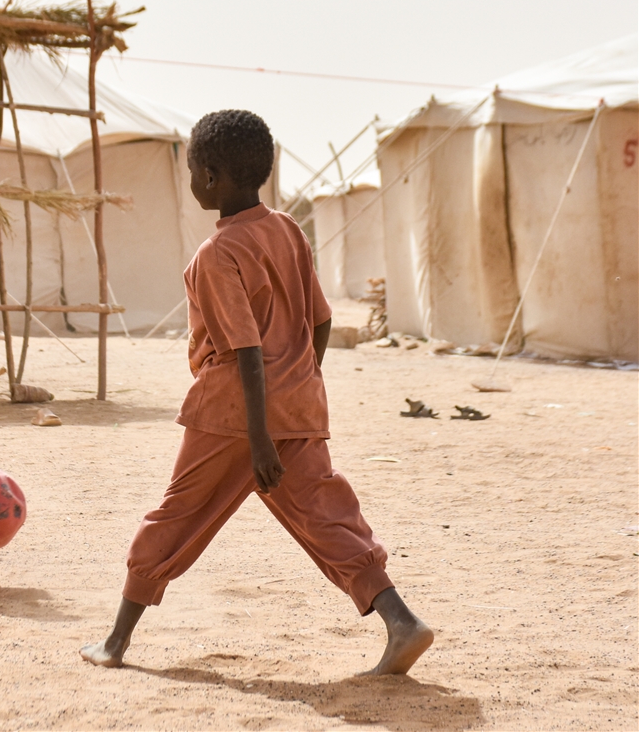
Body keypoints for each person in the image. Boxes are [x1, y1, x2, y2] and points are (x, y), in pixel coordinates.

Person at [79, 110, 433, 676]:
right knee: (327, 515)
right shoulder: (288, 229)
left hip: (234, 418)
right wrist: (300, 381)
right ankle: (402, 622)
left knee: (175, 517)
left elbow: (243, 349)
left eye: (193, 170)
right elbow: (319, 321)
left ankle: (115, 643)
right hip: (295, 406)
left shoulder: (216, 255)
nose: (191, 180)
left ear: (212, 176)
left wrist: (259, 434)